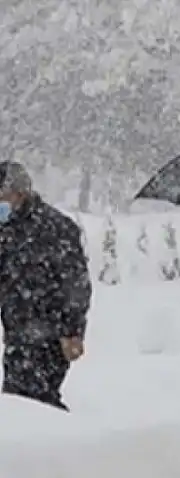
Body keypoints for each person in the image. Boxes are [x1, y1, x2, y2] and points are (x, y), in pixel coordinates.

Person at [0, 161, 91, 411]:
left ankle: (53, 444)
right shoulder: (6, 229)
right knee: (25, 400)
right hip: (17, 332)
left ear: (20, 194)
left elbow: (76, 285)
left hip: (51, 333)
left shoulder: (55, 229)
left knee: (29, 400)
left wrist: (73, 332)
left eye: (2, 198)